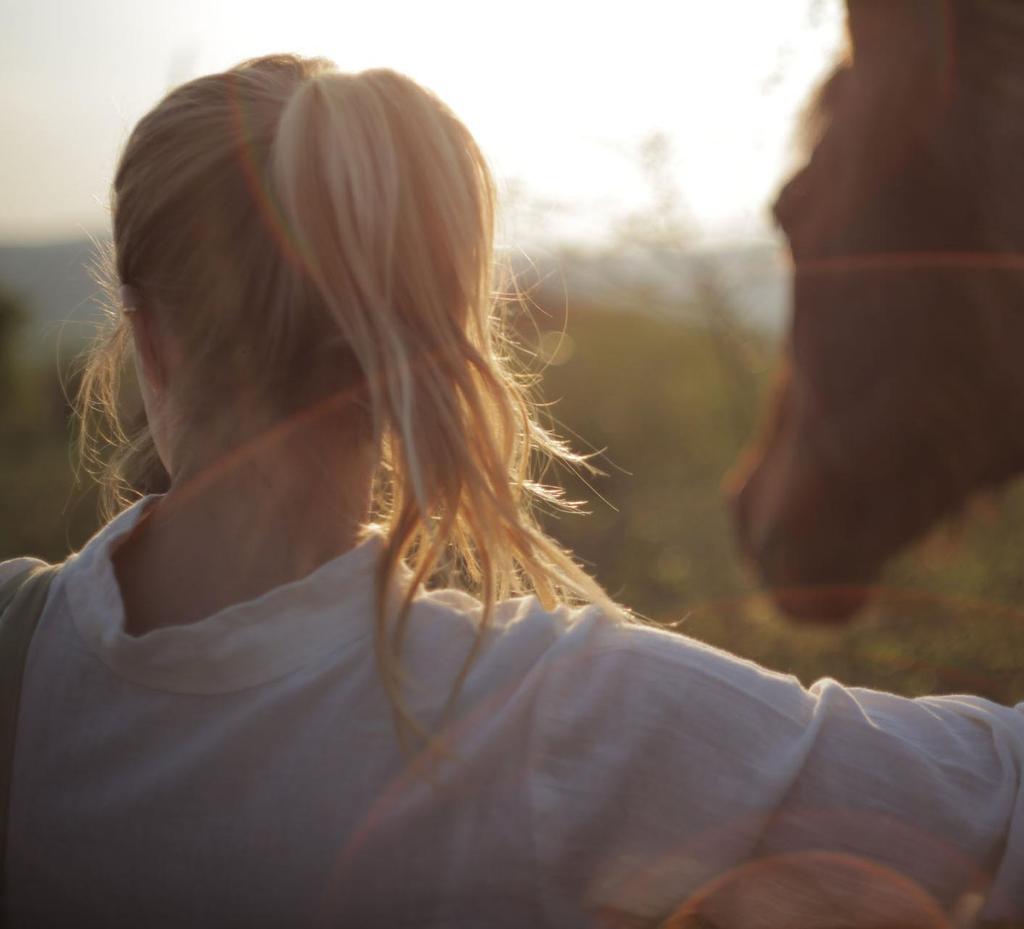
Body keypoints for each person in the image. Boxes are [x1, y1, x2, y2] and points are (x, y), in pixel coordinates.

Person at [2, 53, 1022, 928]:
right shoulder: (553, 706)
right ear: (426, 338)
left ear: (144, 334)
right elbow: (992, 800)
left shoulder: (16, 643)